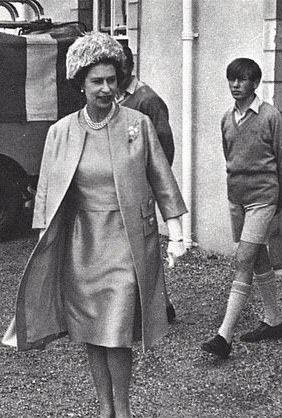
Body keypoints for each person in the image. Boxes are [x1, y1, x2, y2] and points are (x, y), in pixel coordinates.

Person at [3, 32, 187, 418]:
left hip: (126, 243)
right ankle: (104, 410)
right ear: (80, 84)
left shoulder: (137, 126)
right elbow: (48, 196)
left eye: (112, 79)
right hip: (81, 244)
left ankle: (123, 411)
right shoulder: (61, 132)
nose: (106, 89)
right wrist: (44, 249)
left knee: (116, 331)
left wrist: (176, 233)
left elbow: (161, 178)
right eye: (97, 81)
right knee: (91, 333)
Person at [201, 58, 282, 359]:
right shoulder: (227, 118)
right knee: (257, 259)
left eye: (242, 80)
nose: (235, 85)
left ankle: (223, 336)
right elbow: (231, 158)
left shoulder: (270, 116)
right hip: (237, 200)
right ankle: (273, 321)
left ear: (255, 83)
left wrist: (280, 198)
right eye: (231, 80)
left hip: (263, 199)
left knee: (243, 259)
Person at [117, 44, 179, 323]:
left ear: (128, 66)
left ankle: (158, 308)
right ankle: (158, 306)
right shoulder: (114, 99)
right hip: (119, 187)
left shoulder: (147, 101)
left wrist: (151, 187)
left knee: (144, 249)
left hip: (139, 189)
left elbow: (164, 150)